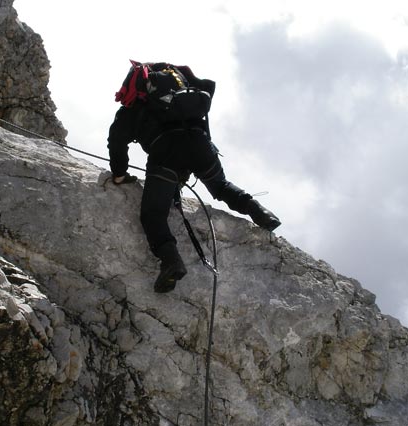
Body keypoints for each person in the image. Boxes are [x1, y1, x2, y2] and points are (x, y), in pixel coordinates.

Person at [108, 61, 281, 293]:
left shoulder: (131, 110)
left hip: (166, 155)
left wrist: (119, 174)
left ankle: (171, 261)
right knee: (220, 186)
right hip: (201, 145)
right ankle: (260, 212)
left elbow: (117, 143)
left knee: (153, 215)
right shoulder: (181, 97)